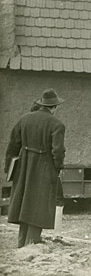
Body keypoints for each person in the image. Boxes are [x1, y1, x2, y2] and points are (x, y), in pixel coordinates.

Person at [5, 89, 66, 248]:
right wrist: (58, 168)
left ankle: (22, 242)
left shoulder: (24, 119)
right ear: (54, 107)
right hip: (44, 166)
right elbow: (57, 151)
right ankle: (32, 242)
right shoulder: (57, 124)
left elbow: (12, 145)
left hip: (24, 165)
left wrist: (9, 168)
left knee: (25, 200)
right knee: (39, 203)